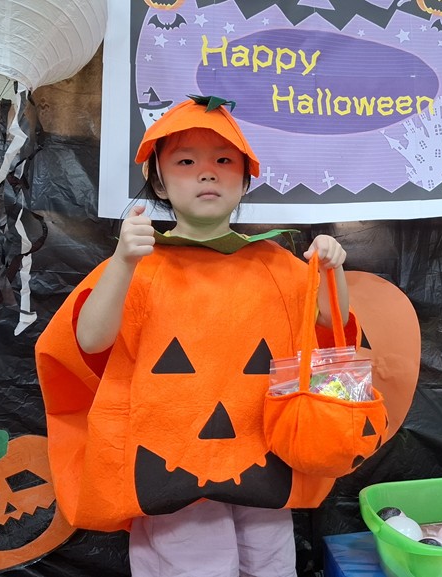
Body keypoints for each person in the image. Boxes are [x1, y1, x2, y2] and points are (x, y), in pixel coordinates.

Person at [35, 95, 355, 577]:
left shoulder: (277, 265)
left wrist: (333, 269)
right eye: (186, 162)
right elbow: (91, 341)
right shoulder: (141, 265)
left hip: (263, 453)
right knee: (194, 565)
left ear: (244, 178)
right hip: (171, 460)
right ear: (159, 181)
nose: (207, 173)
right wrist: (122, 262)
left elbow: (333, 323)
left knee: (271, 563)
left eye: (224, 161)